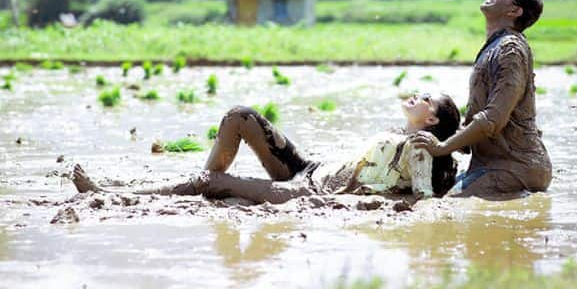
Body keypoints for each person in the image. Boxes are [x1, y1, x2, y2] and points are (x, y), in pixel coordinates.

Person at [71, 92, 462, 204]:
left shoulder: (421, 147)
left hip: (309, 191)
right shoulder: (400, 131)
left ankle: (110, 193)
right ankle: (207, 186)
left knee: (210, 179)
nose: (415, 95)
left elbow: (424, 199)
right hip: (310, 168)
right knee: (239, 116)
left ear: (431, 120)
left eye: (425, 98)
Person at [412, 0, 551, 198]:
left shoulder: (510, 51)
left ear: (514, 11)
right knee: (438, 193)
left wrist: (442, 147)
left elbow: (493, 119)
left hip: (515, 166)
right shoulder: (496, 45)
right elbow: (479, 128)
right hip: (490, 164)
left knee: (448, 205)